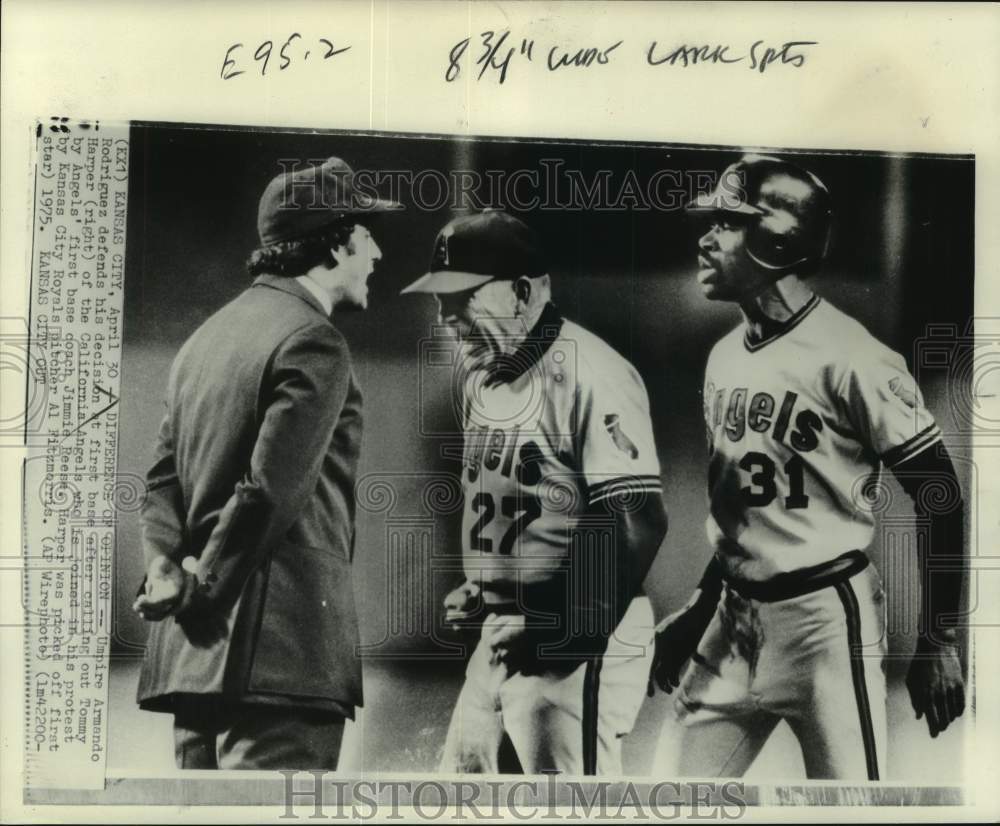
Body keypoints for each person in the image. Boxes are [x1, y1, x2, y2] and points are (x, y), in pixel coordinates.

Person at [650, 154, 967, 780]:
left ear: (777, 237)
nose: (706, 238)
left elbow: (940, 494)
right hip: (734, 620)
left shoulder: (853, 358)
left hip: (824, 621)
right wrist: (700, 604)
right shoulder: (723, 357)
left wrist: (940, 638)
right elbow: (746, 516)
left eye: (726, 223)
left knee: (852, 811)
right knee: (669, 802)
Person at [133, 156, 398, 770]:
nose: (378, 253)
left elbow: (161, 482)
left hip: (192, 663)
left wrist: (166, 570)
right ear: (334, 244)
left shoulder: (202, 340)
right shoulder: (314, 339)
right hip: (279, 661)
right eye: (366, 236)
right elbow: (268, 491)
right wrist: (203, 593)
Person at [401, 209, 668, 775]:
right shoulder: (482, 376)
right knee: (461, 800)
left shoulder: (592, 370)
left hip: (579, 638)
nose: (446, 316)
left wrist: (561, 627)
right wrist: (485, 586)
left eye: (462, 297)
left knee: (571, 810)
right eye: (439, 299)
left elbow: (634, 518)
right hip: (504, 633)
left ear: (522, 293)